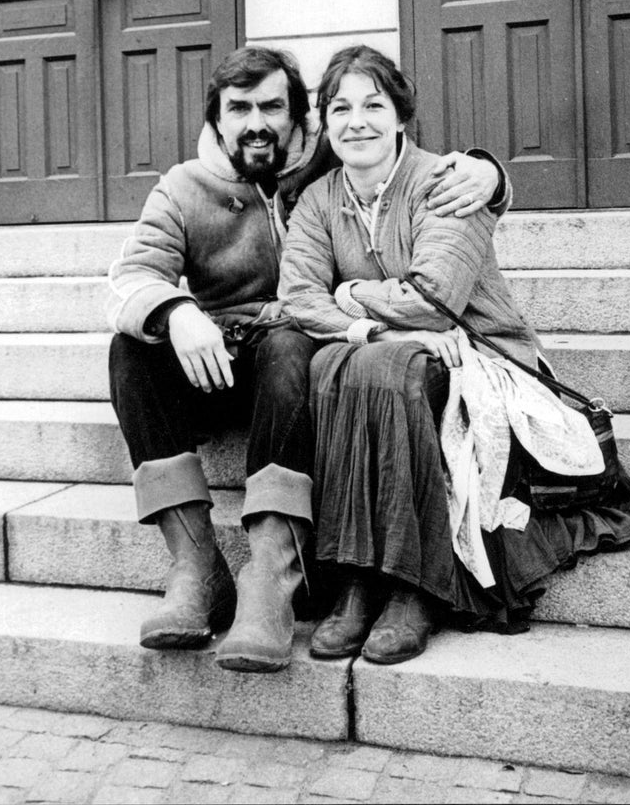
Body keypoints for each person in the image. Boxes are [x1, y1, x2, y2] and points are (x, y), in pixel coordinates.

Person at [278, 45, 630, 665]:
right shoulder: (320, 199)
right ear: (326, 122)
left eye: (374, 104)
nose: (356, 121)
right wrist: (373, 330)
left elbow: (433, 296)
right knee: (345, 363)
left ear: (401, 115)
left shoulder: (449, 182)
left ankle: (412, 586)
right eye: (340, 108)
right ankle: (357, 582)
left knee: (386, 370)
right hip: (395, 353)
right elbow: (295, 298)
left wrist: (347, 293)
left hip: (481, 351)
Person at [107, 45, 510, 673]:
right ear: (216, 117)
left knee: (292, 345)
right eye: (238, 108)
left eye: (273, 106)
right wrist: (177, 313)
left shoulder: (328, 168)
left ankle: (270, 575)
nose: (256, 123)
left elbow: (397, 144)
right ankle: (195, 566)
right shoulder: (183, 187)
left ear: (300, 119)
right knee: (131, 351)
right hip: (222, 356)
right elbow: (131, 276)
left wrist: (490, 172)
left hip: (303, 357)